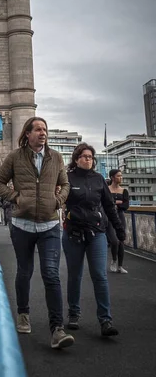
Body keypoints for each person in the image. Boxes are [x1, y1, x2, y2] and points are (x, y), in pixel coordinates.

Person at [0, 116, 74, 349]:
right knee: (25, 271)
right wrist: (17, 197)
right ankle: (23, 313)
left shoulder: (56, 158)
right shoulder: (15, 157)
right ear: (27, 134)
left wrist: (57, 201)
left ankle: (57, 329)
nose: (43, 133)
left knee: (51, 274)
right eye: (37, 129)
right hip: (22, 226)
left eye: (45, 129)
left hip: (49, 225)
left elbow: (65, 184)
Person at [61, 144, 125, 337]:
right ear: (76, 158)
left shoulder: (98, 179)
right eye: (84, 156)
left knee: (100, 275)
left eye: (90, 157)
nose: (88, 159)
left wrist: (119, 228)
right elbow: (58, 199)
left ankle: (105, 320)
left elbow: (109, 205)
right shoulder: (68, 178)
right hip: (74, 233)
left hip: (97, 232)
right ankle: (74, 313)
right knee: (75, 275)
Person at [106, 168, 129, 274]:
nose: (121, 177)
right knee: (114, 241)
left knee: (121, 241)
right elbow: (104, 203)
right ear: (112, 177)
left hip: (120, 217)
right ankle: (114, 260)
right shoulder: (106, 189)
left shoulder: (124, 191)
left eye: (121, 175)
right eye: (118, 176)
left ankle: (120, 266)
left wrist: (115, 204)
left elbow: (126, 205)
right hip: (109, 218)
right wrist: (118, 202)